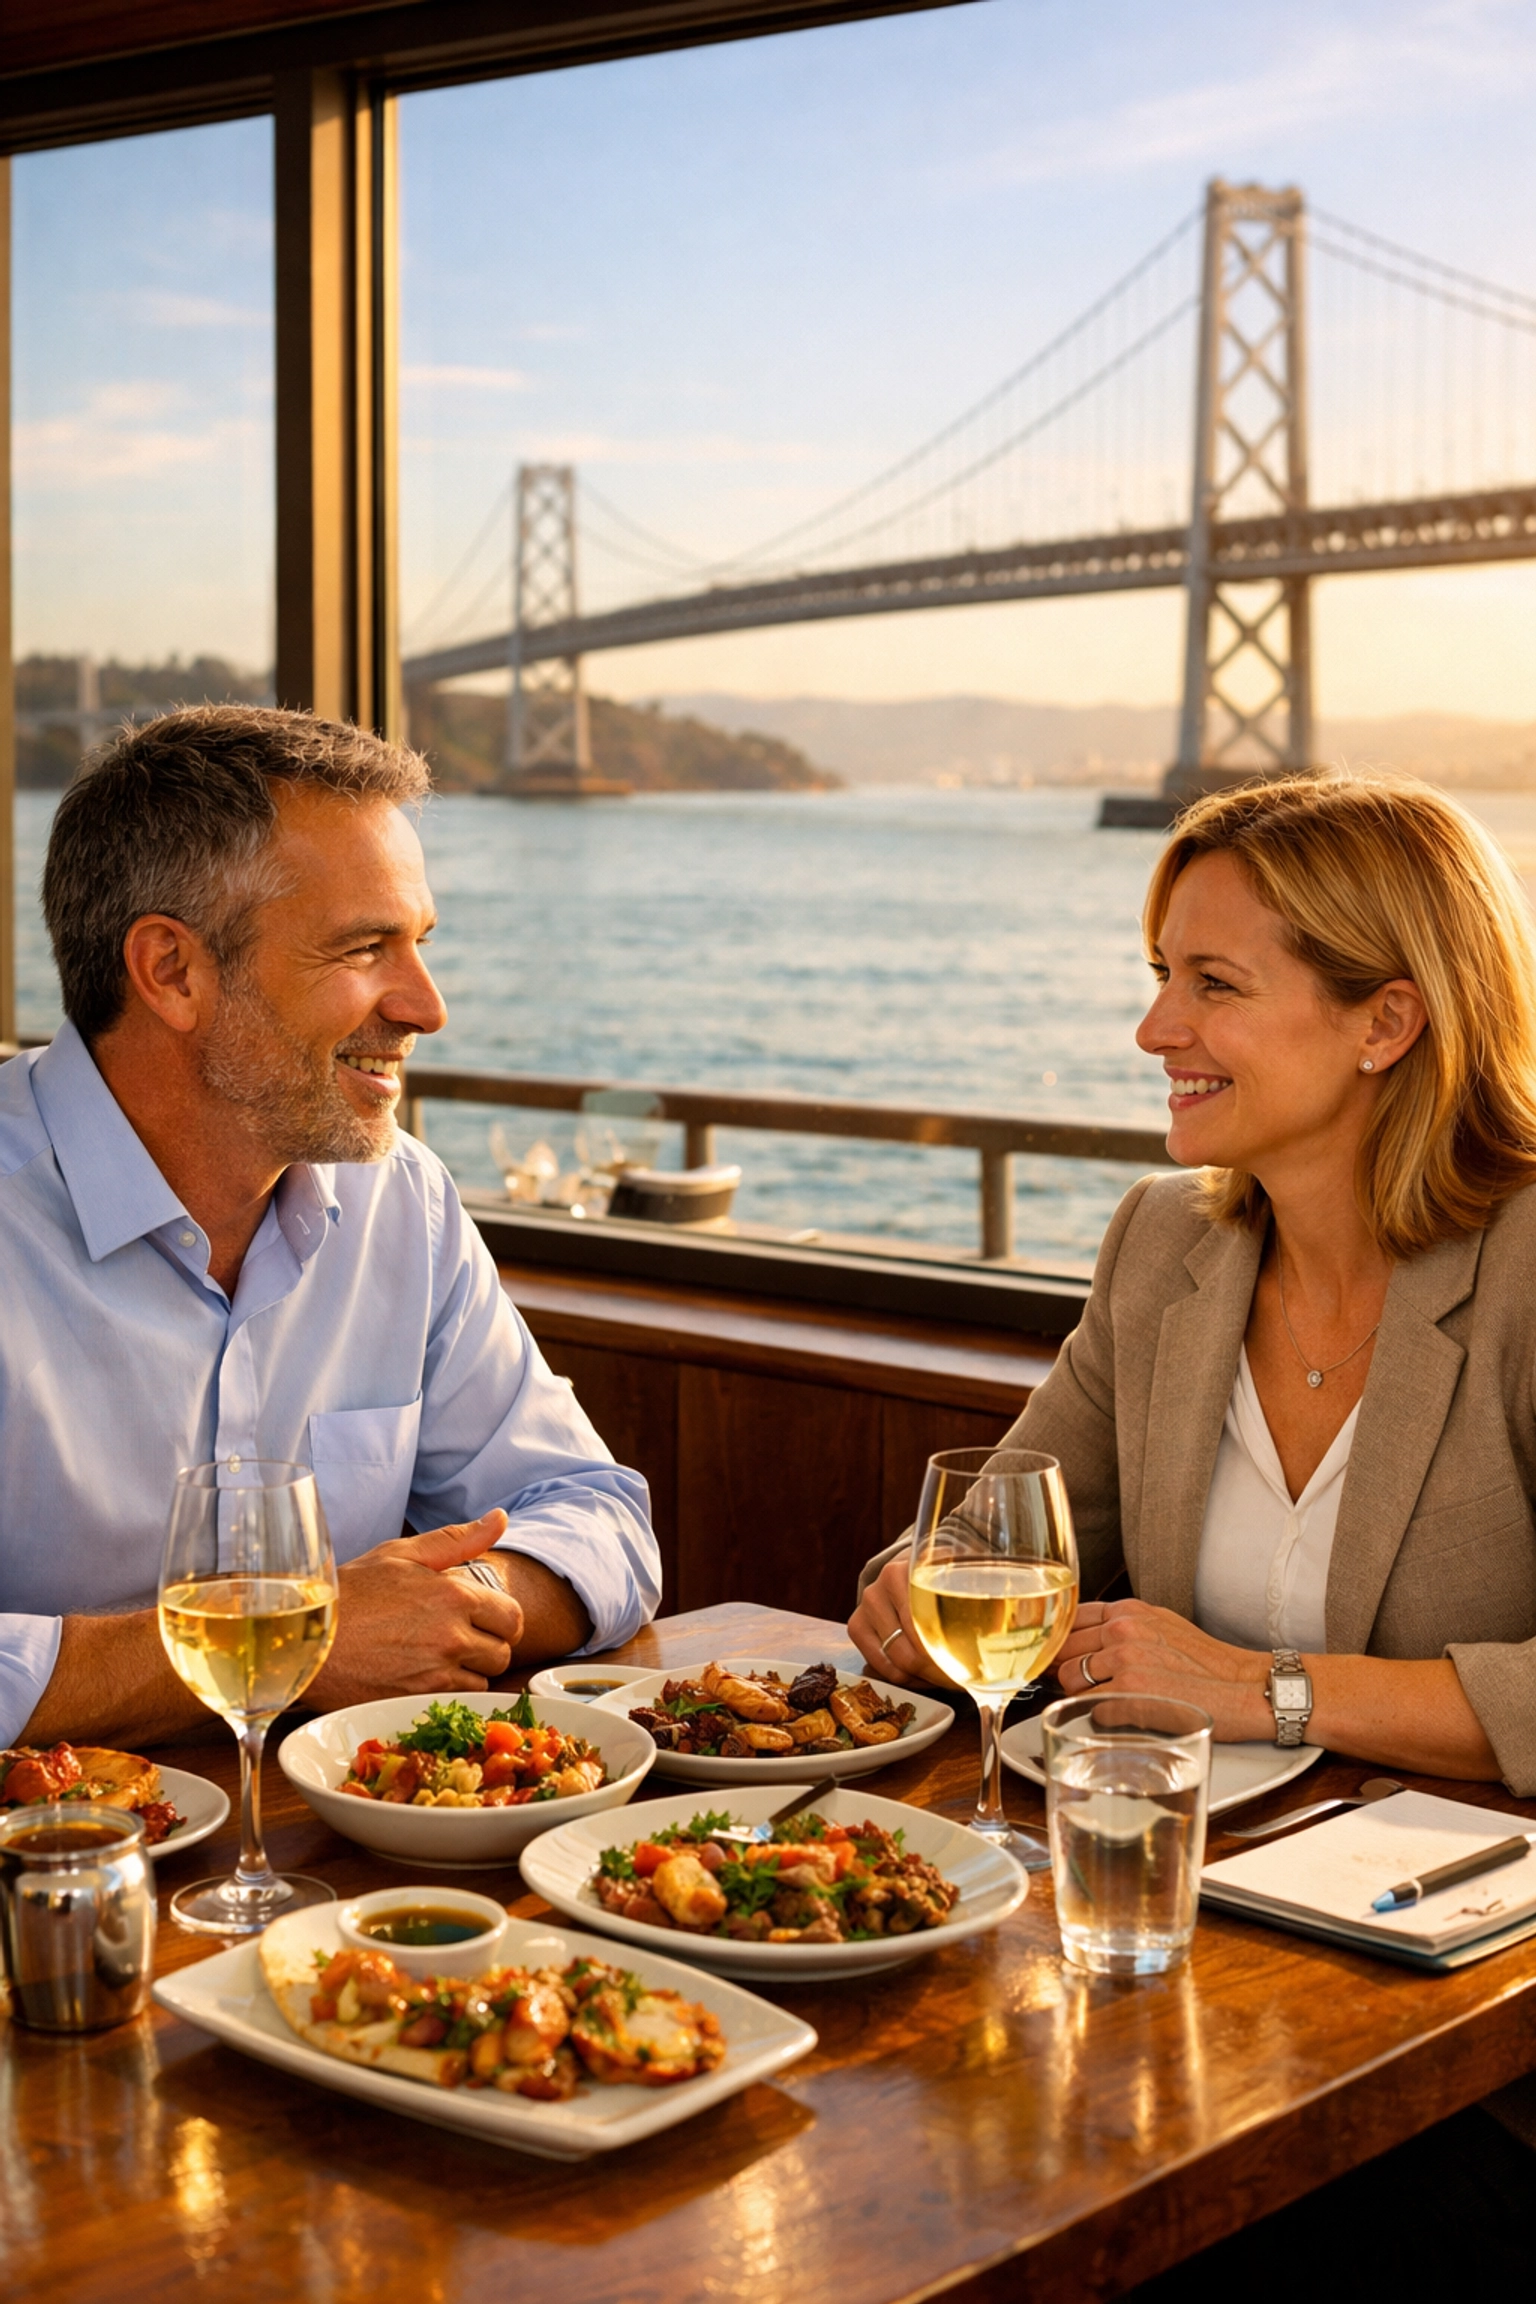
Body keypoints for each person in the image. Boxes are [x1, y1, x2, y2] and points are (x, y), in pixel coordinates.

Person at [850, 772, 1536, 1796]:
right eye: (1162, 973)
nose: (1155, 1027)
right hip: (1184, 1869)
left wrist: (1268, 1689)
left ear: (1385, 1024)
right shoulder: (1164, 1241)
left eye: (1214, 983)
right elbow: (981, 1538)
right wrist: (909, 1591)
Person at [0, 706, 660, 1750]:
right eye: (365, 949)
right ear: (171, 971)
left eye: (421, 944)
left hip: (340, 1878)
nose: (427, 1005)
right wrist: (290, 1637)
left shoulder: (404, 1200)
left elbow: (598, 1515)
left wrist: (463, 1595)